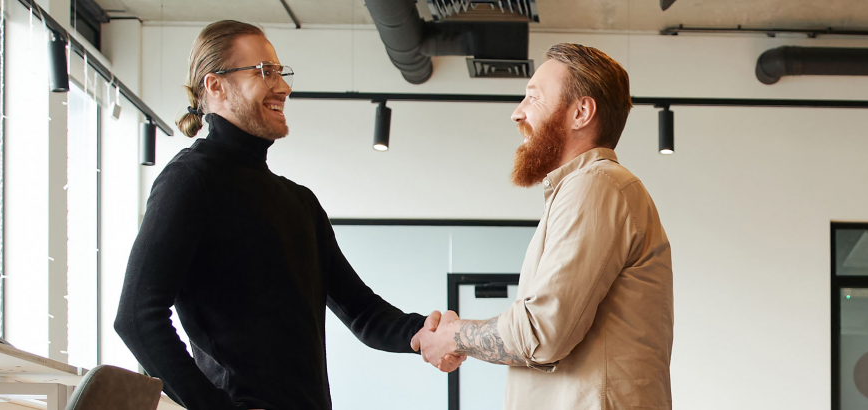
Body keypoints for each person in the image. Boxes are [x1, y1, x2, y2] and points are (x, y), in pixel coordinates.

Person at [114, 20, 461, 410]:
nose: (283, 86)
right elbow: (136, 317)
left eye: (280, 71)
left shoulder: (299, 202)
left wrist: (421, 334)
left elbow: (361, 309)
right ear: (215, 86)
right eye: (265, 72)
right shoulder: (190, 181)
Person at [413, 43, 674, 410]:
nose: (517, 113)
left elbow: (541, 333)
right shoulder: (587, 188)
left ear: (581, 112)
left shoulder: (596, 185)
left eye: (533, 98)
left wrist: (455, 336)